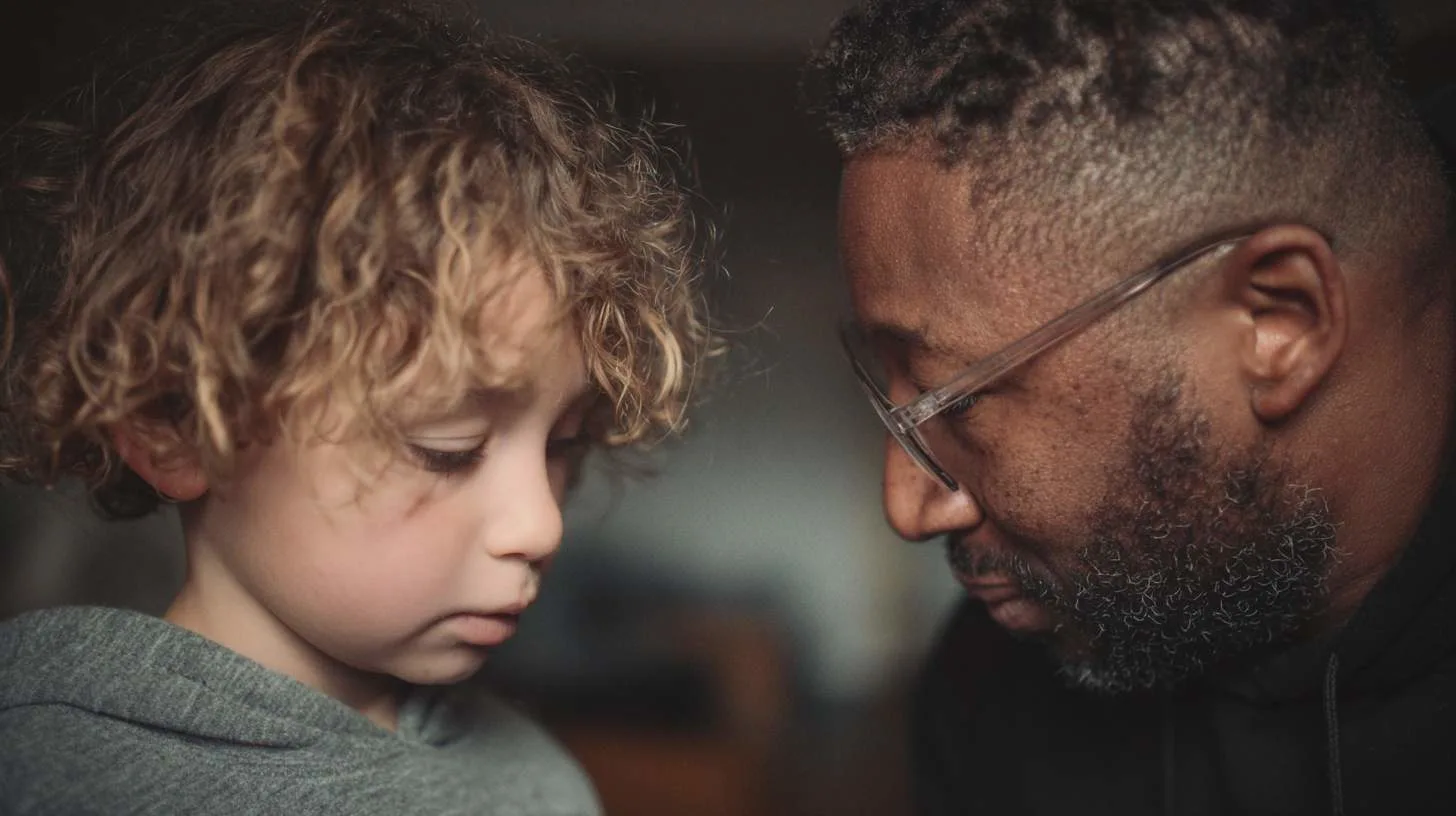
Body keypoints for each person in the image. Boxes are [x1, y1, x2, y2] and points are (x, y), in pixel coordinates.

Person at [0, 1, 716, 813]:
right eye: (447, 447)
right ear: (176, 422)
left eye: (564, 444)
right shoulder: (45, 768)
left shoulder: (543, 786)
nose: (542, 526)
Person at [812, 0, 1454, 813]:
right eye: (892, 392)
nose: (906, 504)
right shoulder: (988, 693)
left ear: (1279, 322)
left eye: (962, 400)